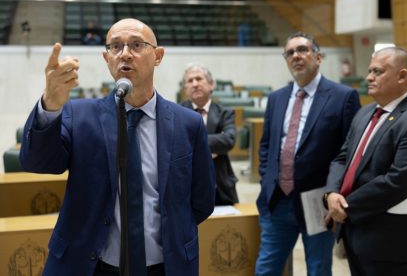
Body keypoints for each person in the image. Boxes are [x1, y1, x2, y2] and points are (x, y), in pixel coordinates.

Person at [19, 18, 216, 276]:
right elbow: (37, 162)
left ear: (158, 56)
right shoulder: (79, 115)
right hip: (89, 266)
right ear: (106, 58)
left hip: (166, 266)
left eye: (136, 45)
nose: (125, 54)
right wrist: (51, 105)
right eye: (115, 47)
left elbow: (202, 200)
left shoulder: (187, 123)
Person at [324, 47, 407, 276]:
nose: (368, 77)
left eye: (378, 71)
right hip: (356, 235)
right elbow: (342, 158)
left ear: (402, 76)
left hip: (392, 246)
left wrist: (345, 207)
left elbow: (398, 182)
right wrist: (331, 194)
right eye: (370, 71)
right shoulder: (365, 112)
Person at [255, 31, 361, 276]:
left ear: (318, 56)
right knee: (266, 268)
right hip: (277, 200)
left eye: (302, 50)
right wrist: (266, 179)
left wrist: (335, 195)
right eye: (290, 52)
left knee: (318, 268)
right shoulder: (276, 98)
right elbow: (266, 146)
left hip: (318, 202)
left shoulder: (343, 97)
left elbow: (350, 153)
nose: (296, 56)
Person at [180, 63, 239, 205]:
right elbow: (175, 143)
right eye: (190, 81)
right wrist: (212, 147)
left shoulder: (225, 112)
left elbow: (228, 140)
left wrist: (194, 145)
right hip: (186, 185)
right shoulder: (176, 113)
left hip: (221, 184)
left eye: (199, 79)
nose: (195, 84)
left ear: (211, 84)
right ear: (185, 88)